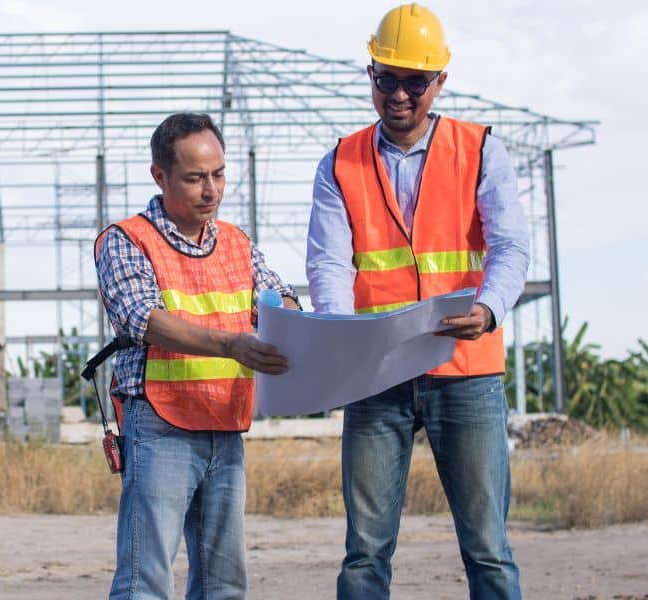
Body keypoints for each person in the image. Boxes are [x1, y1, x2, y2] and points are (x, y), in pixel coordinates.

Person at [305, 4, 528, 599]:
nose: (399, 95)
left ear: (440, 82)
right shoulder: (340, 162)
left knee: (487, 548)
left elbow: (510, 248)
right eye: (386, 79)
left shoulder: (480, 150)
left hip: (466, 369)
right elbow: (329, 264)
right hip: (376, 374)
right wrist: (337, 336)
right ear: (371, 73)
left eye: (415, 82)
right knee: (365, 554)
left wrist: (487, 311)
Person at [96, 111, 300, 599]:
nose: (211, 190)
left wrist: (288, 315)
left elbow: (278, 295)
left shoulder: (236, 243)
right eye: (194, 178)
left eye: (218, 174)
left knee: (223, 583)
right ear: (160, 176)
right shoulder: (126, 240)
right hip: (159, 425)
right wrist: (231, 343)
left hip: (225, 426)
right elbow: (141, 318)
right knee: (146, 580)